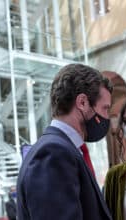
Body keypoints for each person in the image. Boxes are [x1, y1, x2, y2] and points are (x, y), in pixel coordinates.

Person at [17, 64, 113, 220]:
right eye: (105, 108)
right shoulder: (53, 152)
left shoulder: (65, 149)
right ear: (82, 102)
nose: (107, 117)